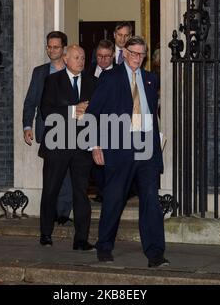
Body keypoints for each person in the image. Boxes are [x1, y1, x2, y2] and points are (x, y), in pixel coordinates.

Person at [86, 37, 169, 268]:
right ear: (124, 53)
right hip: (119, 146)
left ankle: (155, 253)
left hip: (146, 148)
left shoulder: (151, 79)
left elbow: (152, 115)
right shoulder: (110, 78)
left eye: (142, 54)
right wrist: (95, 145)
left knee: (151, 200)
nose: (137, 58)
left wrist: (156, 145)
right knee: (114, 198)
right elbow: (93, 113)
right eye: (133, 53)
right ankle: (104, 246)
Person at [38, 45, 97, 251]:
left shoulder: (93, 81)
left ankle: (81, 239)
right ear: (65, 59)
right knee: (51, 189)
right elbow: (46, 111)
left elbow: (99, 112)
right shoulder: (53, 81)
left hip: (81, 147)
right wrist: (73, 111)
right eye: (76, 57)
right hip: (57, 145)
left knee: (81, 193)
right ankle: (45, 233)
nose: (81, 60)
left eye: (83, 57)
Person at [22, 31, 73, 226]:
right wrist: (27, 126)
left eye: (56, 47)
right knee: (51, 173)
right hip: (47, 129)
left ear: (64, 49)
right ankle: (50, 212)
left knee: (67, 173)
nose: (52, 50)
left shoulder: (72, 71)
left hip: (69, 130)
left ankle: (64, 212)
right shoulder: (40, 72)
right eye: (49, 47)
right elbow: (30, 101)